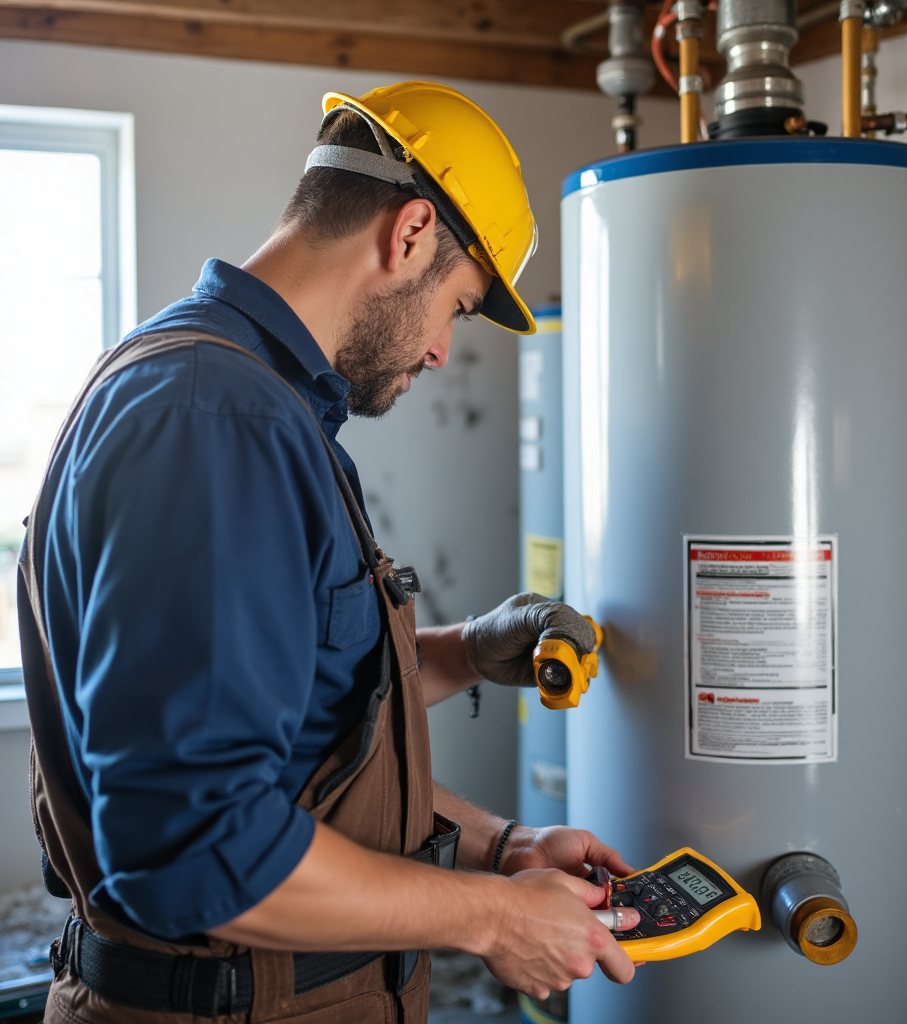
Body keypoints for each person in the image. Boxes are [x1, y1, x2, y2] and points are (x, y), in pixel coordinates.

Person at [18, 81, 640, 1024]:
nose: (440, 355)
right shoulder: (215, 422)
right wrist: (494, 919)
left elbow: (308, 734)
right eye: (459, 310)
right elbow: (199, 851)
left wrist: (501, 835)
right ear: (411, 233)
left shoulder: (253, 402)